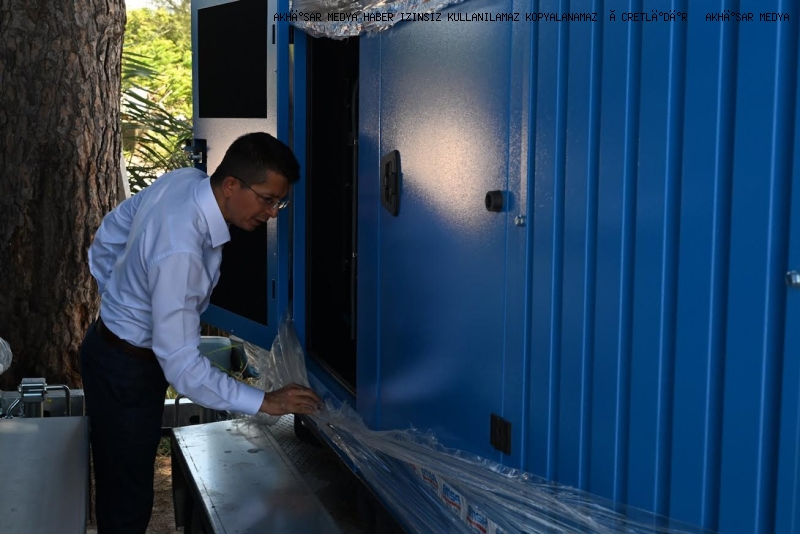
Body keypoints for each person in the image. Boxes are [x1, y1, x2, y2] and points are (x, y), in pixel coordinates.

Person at [80, 132, 322, 533]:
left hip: (116, 350)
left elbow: (109, 234)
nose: (273, 213)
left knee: (122, 479)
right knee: (127, 496)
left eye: (279, 202)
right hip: (125, 368)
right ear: (231, 185)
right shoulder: (182, 249)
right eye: (267, 200)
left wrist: (122, 300)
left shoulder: (185, 181)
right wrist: (266, 401)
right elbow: (183, 368)